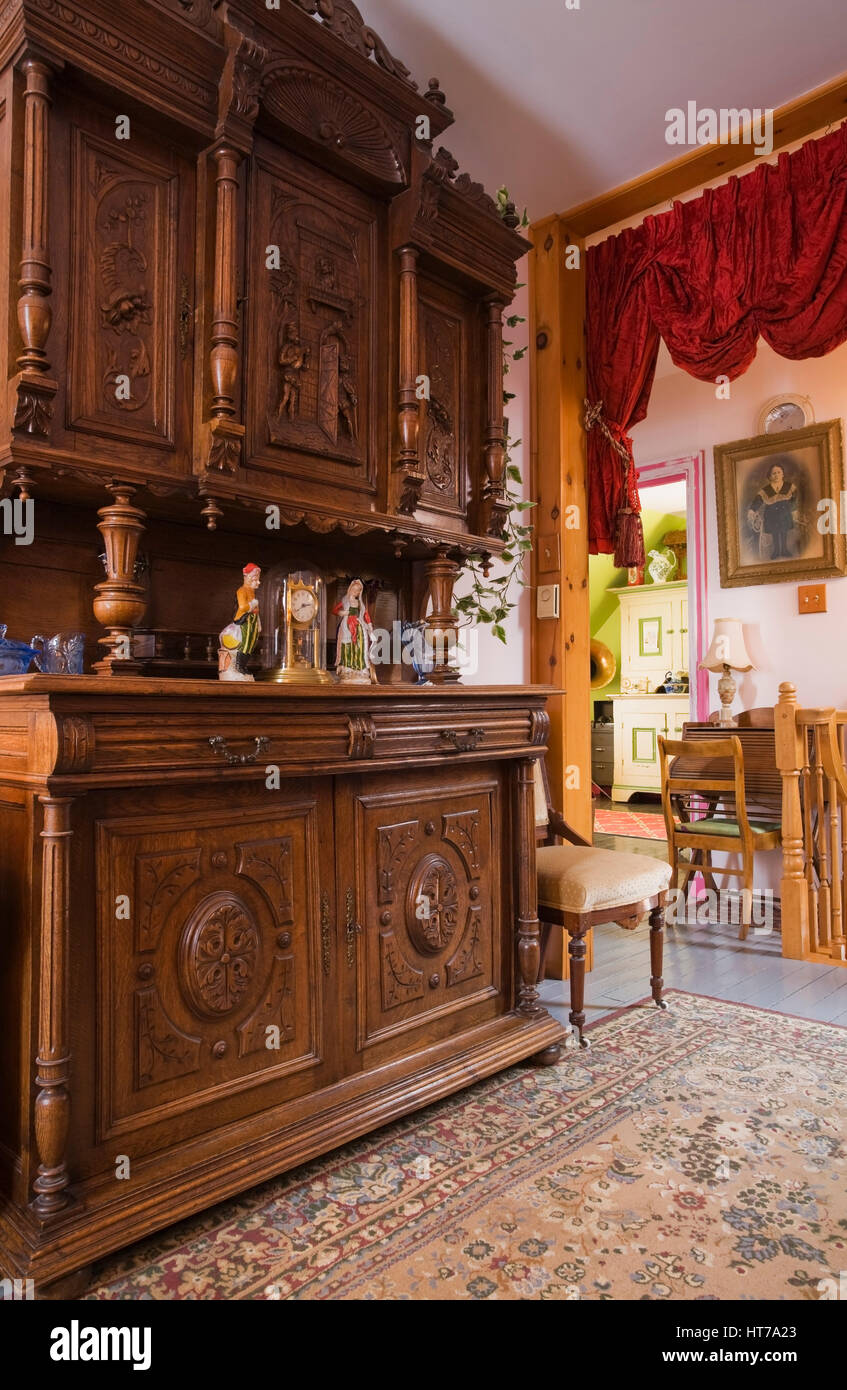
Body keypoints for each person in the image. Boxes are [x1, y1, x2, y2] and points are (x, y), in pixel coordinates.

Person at [747, 460, 799, 560]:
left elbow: (794, 498)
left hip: (784, 512)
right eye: (774, 473)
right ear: (770, 476)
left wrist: (793, 509)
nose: (776, 475)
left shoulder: (789, 486)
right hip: (771, 514)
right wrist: (752, 510)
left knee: (784, 530)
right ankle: (776, 551)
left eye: (779, 472)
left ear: (783, 474)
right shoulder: (766, 490)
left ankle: (784, 549)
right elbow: (758, 500)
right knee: (775, 532)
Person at [333, 578, 375, 683]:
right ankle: (347, 668)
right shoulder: (345, 601)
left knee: (359, 647)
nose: (355, 592)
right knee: (347, 646)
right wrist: (343, 613)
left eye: (358, 591)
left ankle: (359, 668)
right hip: (347, 626)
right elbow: (334, 610)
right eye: (354, 589)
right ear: (350, 589)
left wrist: (369, 626)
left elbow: (366, 615)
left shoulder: (360, 603)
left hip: (358, 626)